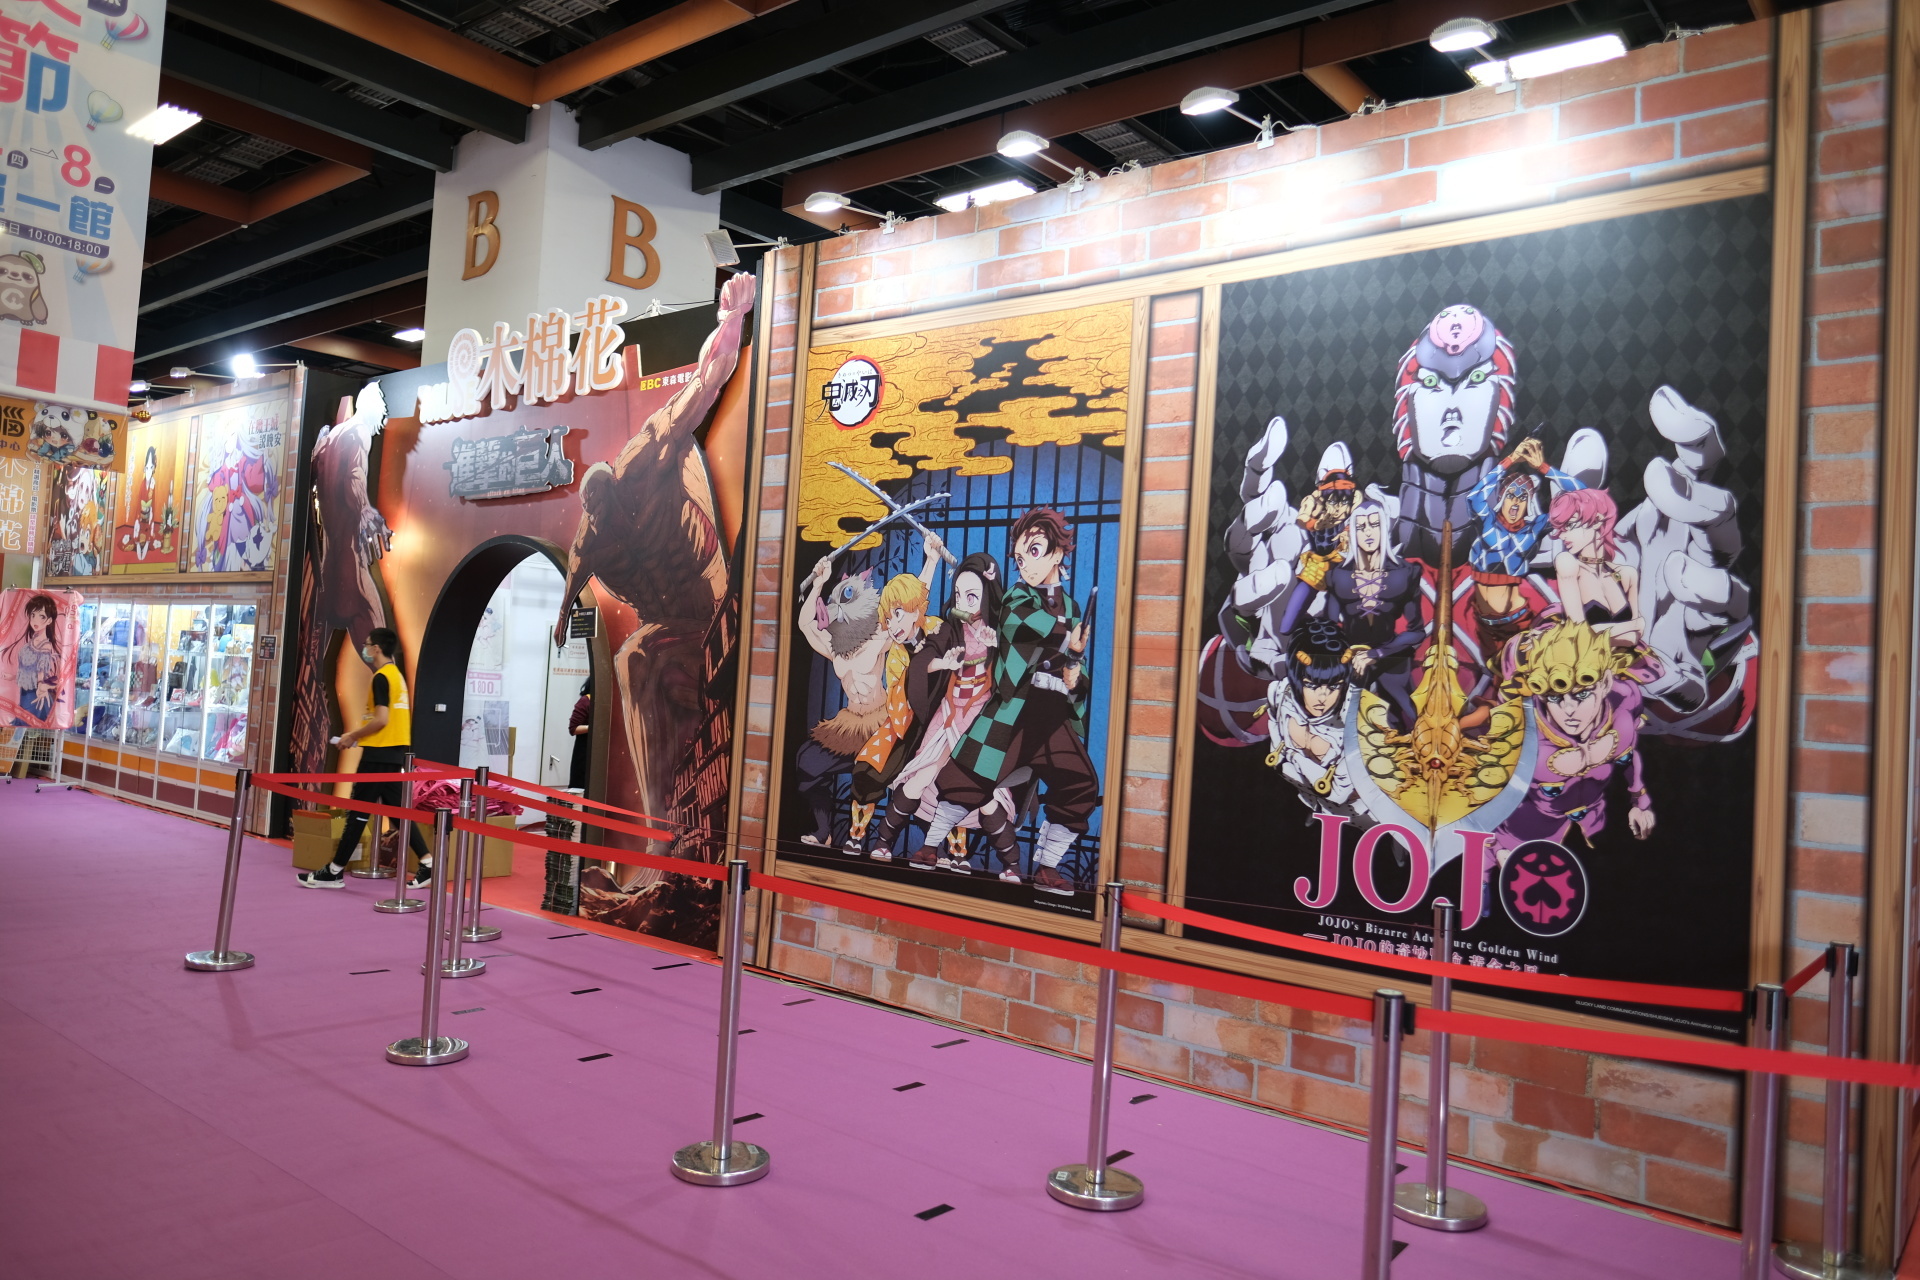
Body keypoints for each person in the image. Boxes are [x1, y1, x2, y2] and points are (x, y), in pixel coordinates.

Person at [298, 627, 434, 889]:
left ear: (376, 649)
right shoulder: (397, 677)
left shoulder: (381, 678)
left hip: (377, 757)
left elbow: (381, 719)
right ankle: (427, 863)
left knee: (358, 814)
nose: (365, 648)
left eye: (367, 644)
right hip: (392, 754)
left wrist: (352, 736)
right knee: (397, 814)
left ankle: (334, 871)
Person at [5, 593, 60, 726]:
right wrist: (13, 677)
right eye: (33, 615)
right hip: (25, 692)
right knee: (23, 726)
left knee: (26, 725)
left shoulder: (45, 646)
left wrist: (42, 686)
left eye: (42, 616)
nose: (36, 620)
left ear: (49, 621)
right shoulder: (33, 639)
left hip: (34, 694)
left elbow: (41, 672)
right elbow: (29, 670)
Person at [568, 676, 593, 791]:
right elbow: (573, 729)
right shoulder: (586, 701)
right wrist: (594, 727)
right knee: (581, 788)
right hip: (585, 752)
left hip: (603, 753)